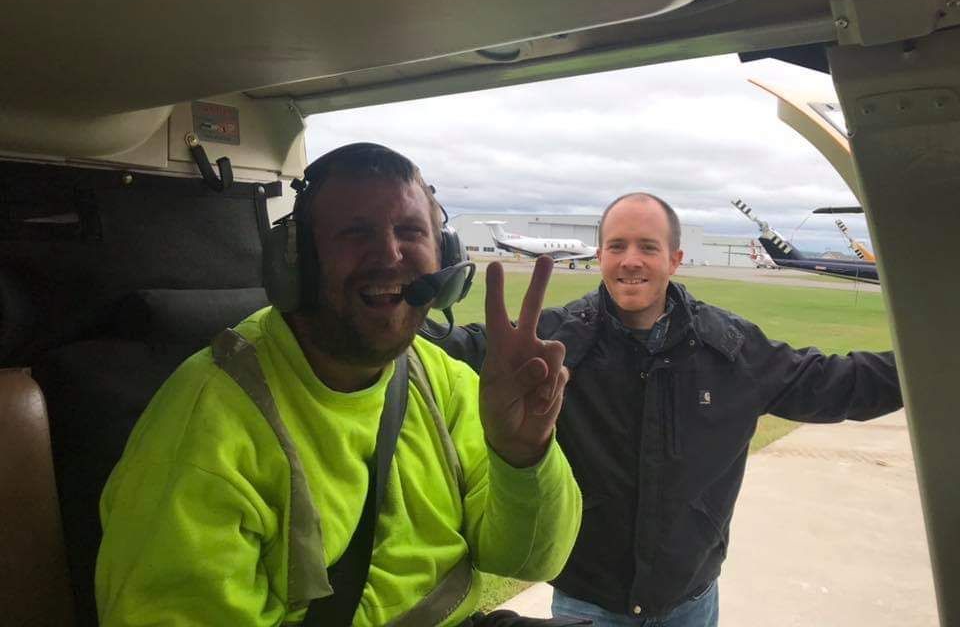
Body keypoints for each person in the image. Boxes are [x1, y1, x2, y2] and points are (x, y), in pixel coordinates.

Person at [95, 143, 584, 626]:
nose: (389, 254)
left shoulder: (444, 381)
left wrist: (522, 453)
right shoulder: (208, 425)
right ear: (297, 262)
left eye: (410, 231)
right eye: (355, 233)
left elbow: (528, 563)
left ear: (444, 258)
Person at [434, 192, 901, 627]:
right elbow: (462, 349)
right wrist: (395, 308)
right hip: (587, 600)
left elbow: (834, 383)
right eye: (616, 246)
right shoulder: (556, 344)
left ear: (674, 259)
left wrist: (932, 364)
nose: (630, 260)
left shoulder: (731, 350)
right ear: (600, 257)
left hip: (690, 601)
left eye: (648, 247)